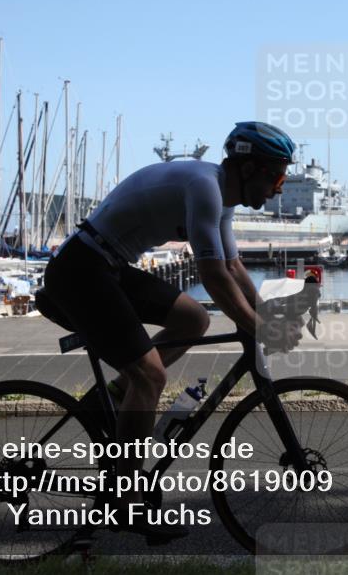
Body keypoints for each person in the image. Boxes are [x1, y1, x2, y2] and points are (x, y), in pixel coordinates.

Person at [41, 121, 301, 540]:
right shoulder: (204, 187)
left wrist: (264, 317)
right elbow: (214, 275)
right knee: (151, 376)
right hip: (80, 270)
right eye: (278, 175)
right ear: (250, 168)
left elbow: (234, 267)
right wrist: (256, 327)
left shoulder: (222, 197)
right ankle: (126, 503)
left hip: (107, 265)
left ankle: (113, 396)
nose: (280, 188)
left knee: (194, 319)